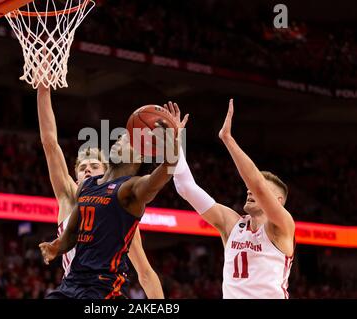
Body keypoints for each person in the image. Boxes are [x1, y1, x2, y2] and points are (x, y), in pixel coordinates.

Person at [36, 85, 164, 298]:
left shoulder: (119, 210)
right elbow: (50, 143)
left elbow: (145, 274)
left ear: (104, 174)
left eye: (94, 166)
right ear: (76, 177)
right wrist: (43, 89)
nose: (88, 169)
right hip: (72, 288)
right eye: (82, 167)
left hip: (102, 289)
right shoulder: (69, 197)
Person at [170, 100, 295, 299]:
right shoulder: (232, 224)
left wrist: (227, 139)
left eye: (257, 189)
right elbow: (186, 187)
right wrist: (173, 142)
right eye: (248, 189)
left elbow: (258, 186)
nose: (250, 191)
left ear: (278, 201)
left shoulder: (281, 227)